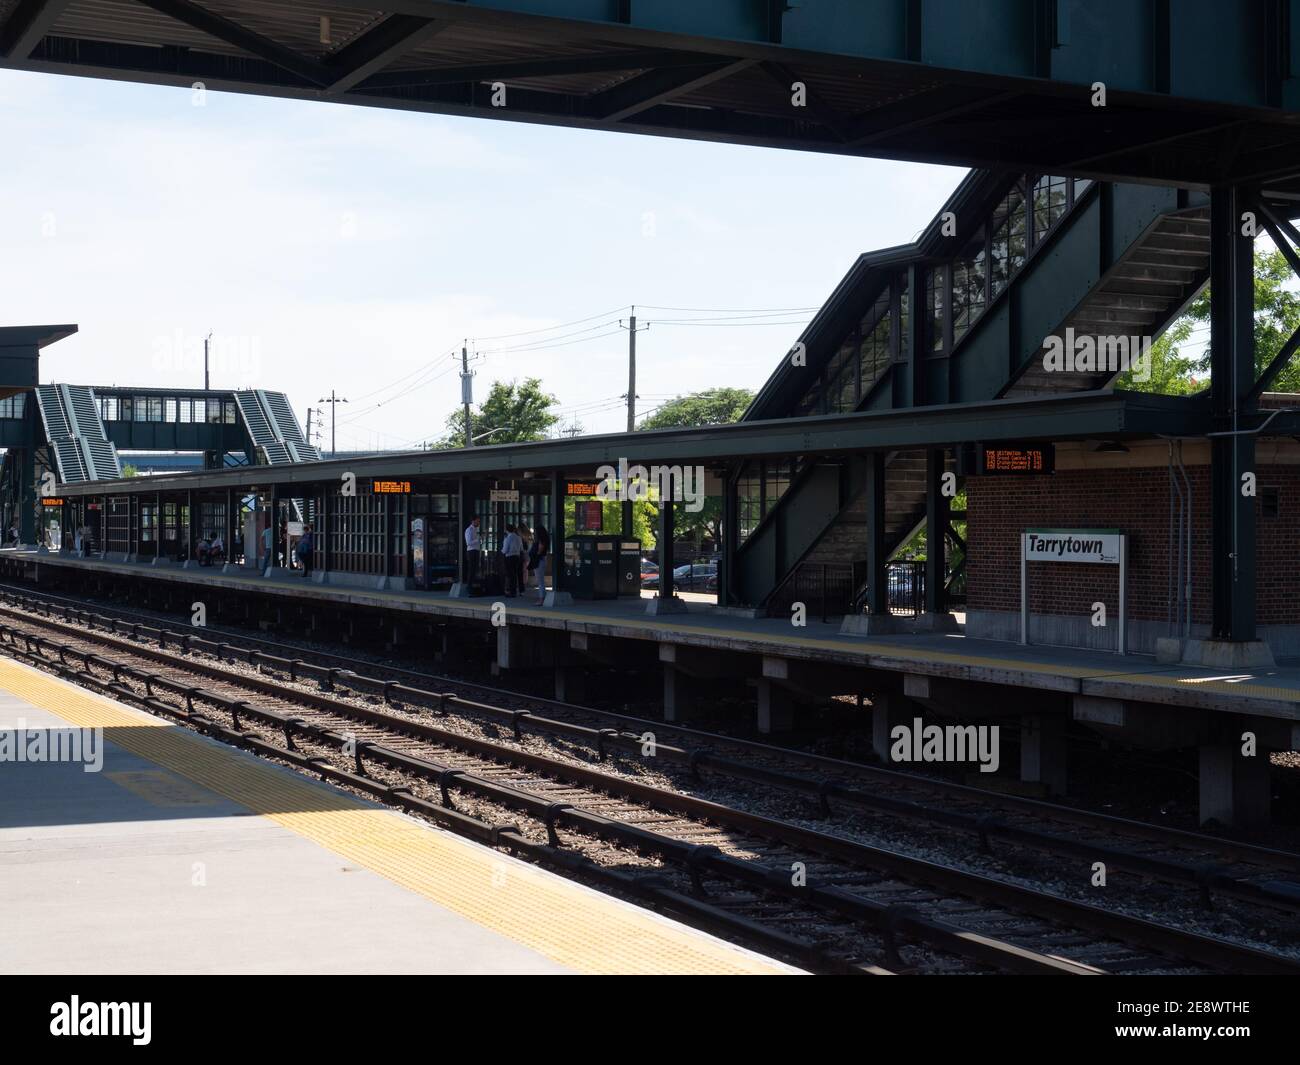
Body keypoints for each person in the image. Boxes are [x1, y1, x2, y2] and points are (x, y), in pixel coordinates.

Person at [500, 523, 523, 597]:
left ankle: (511, 591)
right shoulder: (518, 538)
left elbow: (505, 550)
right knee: (515, 574)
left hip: (509, 557)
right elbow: (521, 548)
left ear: (506, 530)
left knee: (510, 575)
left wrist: (502, 551)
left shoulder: (507, 538)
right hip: (517, 557)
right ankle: (516, 591)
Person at [530, 524, 550, 605]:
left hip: (539, 560)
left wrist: (535, 555)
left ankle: (541, 599)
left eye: (535, 532)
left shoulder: (541, 541)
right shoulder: (545, 539)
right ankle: (543, 597)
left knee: (540, 581)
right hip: (542, 560)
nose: (534, 533)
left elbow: (539, 551)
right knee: (540, 580)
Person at [464, 516, 481, 585]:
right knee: (471, 569)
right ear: (473, 521)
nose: (479, 522)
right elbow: (468, 542)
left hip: (475, 550)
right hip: (471, 551)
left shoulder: (475, 530)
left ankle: (473, 584)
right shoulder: (469, 530)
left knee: (475, 568)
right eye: (478, 521)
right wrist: (478, 540)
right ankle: (470, 585)